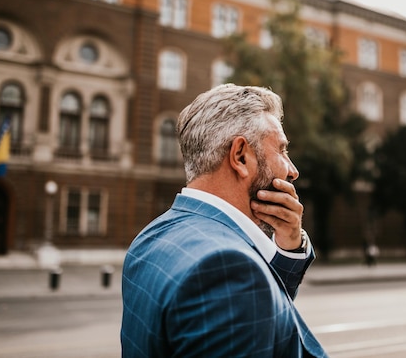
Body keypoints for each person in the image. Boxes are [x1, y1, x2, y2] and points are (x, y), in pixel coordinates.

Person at [121, 84, 327, 358]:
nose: (293, 171)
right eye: (282, 150)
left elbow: (261, 317)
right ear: (240, 156)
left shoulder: (151, 236)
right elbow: (244, 299)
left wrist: (289, 247)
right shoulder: (230, 270)